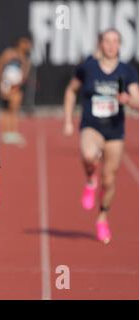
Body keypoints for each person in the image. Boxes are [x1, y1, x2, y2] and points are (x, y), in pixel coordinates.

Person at [63, 28, 139, 244]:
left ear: (120, 45)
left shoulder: (127, 71)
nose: (111, 45)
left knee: (109, 178)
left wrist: (128, 100)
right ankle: (89, 179)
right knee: (88, 155)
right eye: (107, 41)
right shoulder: (88, 67)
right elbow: (71, 91)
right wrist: (68, 121)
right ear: (101, 44)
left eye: (115, 41)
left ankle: (102, 217)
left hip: (115, 132)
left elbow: (138, 102)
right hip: (91, 126)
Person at [0, 36, 32, 146]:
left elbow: (25, 73)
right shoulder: (9, 53)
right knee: (6, 109)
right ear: (20, 43)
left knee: (14, 109)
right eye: (25, 43)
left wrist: (19, 82)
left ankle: (13, 132)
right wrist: (0, 83)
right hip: (6, 85)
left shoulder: (25, 58)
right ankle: (5, 133)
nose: (27, 46)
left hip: (17, 86)